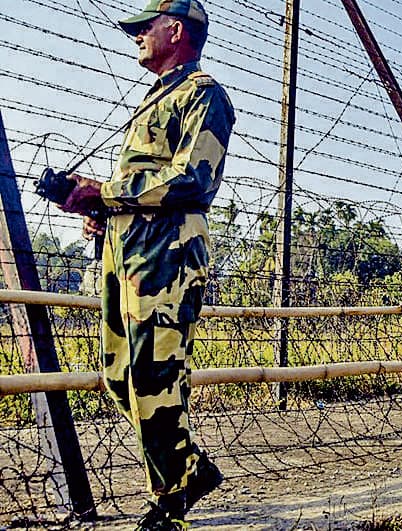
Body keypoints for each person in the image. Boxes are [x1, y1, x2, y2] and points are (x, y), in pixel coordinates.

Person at [58, 1, 235, 528]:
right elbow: (136, 190)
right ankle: (190, 469)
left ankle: (170, 500)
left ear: (175, 30)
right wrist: (98, 213)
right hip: (127, 253)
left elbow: (193, 180)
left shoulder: (203, 94)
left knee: (154, 377)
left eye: (145, 27)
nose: (137, 36)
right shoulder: (154, 99)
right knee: (119, 377)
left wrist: (104, 192)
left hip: (167, 254)